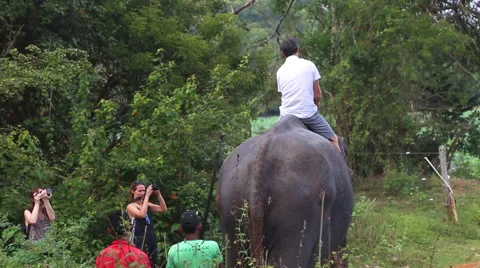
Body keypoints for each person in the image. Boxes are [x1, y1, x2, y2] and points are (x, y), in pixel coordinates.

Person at [276, 37, 341, 152]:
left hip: (285, 116)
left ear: (282, 53)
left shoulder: (280, 71)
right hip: (307, 114)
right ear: (298, 49)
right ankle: (342, 169)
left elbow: (285, 94)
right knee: (333, 139)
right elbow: (318, 95)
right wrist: (316, 105)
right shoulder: (309, 65)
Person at [126, 181, 167, 267]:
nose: (142, 193)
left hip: (150, 237)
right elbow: (142, 214)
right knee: (140, 263)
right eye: (139, 191)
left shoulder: (147, 205)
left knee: (153, 263)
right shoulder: (131, 206)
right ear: (133, 191)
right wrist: (147, 196)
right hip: (138, 239)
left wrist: (158, 195)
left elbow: (163, 209)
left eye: (144, 191)